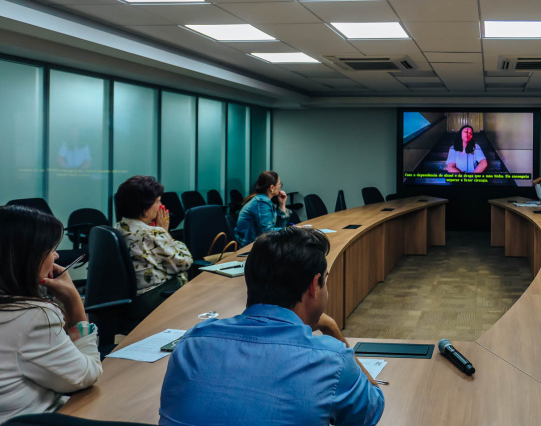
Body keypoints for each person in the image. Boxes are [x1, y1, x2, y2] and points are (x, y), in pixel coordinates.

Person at [159, 226, 384, 426]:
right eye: (326, 278)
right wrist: (333, 330)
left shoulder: (191, 343)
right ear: (315, 286)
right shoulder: (331, 359)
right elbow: (370, 411)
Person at [0, 205, 102, 422]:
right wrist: (74, 302)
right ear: (25, 257)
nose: (56, 256)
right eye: (49, 249)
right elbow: (85, 375)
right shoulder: (31, 316)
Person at [114, 176, 193, 318]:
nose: (160, 205)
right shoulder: (151, 233)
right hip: (151, 299)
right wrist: (166, 233)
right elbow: (185, 262)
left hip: (130, 300)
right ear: (144, 209)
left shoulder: (119, 227)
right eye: (157, 201)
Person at [235, 171, 292, 246]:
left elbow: (278, 226)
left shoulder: (263, 200)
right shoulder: (261, 202)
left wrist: (282, 204)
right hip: (248, 248)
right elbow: (267, 232)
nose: (280, 186)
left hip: (257, 245)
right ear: (272, 187)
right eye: (279, 184)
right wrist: (290, 230)